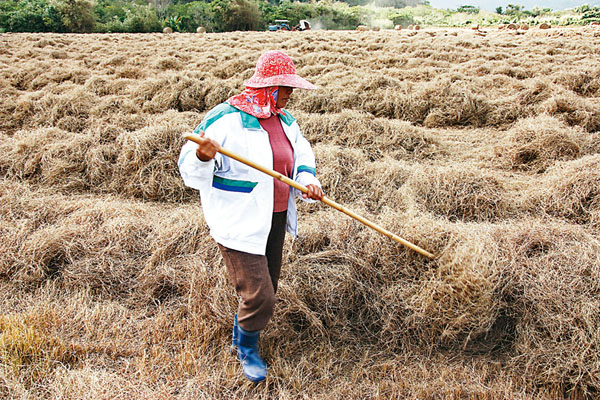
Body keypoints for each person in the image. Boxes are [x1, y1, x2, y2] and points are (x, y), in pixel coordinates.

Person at [178, 50, 323, 383]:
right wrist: (202, 156)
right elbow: (189, 165)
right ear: (269, 86)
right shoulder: (226, 118)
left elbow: (301, 154)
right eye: (286, 87)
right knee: (261, 294)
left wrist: (308, 181)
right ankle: (246, 350)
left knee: (267, 285)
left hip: (275, 216)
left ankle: (241, 331)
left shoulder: (284, 120)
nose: (291, 94)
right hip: (239, 219)